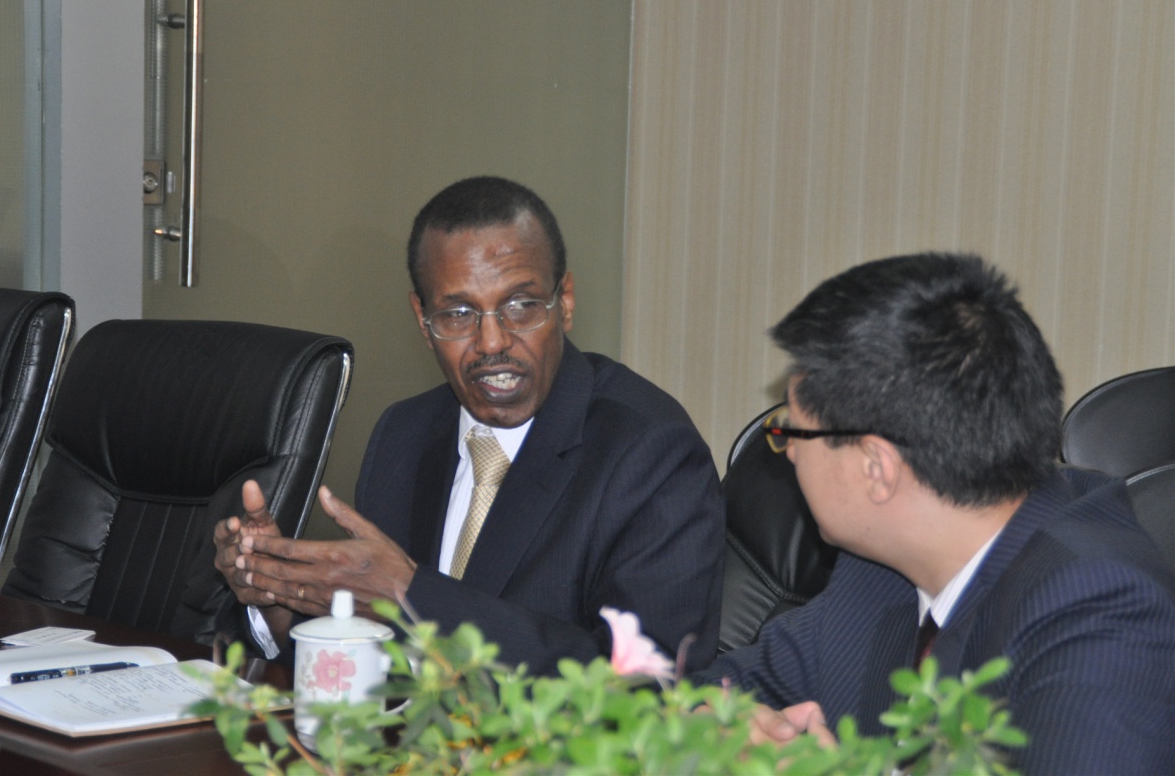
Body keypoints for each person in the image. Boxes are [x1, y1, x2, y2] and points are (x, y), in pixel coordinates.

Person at [214, 176, 725, 674]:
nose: (492, 342)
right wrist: (277, 596)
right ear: (423, 320)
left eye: (520, 306)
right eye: (458, 313)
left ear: (565, 301)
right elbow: (369, 657)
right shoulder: (404, 433)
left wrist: (412, 598)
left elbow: (652, 686)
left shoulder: (650, 452)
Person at [695, 253, 1175, 774]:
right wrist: (713, 724)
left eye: (792, 431)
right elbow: (717, 691)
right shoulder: (881, 568)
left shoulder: (1102, 609)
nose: (786, 451)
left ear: (877, 467)